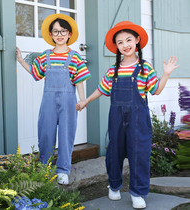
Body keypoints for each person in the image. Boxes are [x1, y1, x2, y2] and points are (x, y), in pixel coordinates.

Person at [76, 21, 179, 209]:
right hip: (116, 118)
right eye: (120, 42)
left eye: (129, 40)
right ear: (116, 46)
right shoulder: (112, 70)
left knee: (139, 153)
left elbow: (155, 90)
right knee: (114, 153)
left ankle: (138, 192)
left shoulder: (145, 68)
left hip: (138, 119)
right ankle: (114, 186)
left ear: (137, 40)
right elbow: (101, 89)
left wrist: (166, 74)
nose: (125, 45)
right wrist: (86, 101)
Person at [16, 14, 91, 185]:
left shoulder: (75, 57)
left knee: (66, 135)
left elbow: (79, 81)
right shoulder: (45, 56)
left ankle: (63, 170)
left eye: (63, 31)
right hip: (48, 101)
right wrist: (21, 61)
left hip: (69, 101)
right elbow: (35, 73)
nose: (59, 34)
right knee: (45, 134)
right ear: (50, 34)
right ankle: (45, 168)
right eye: (56, 31)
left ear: (69, 34)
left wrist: (83, 100)